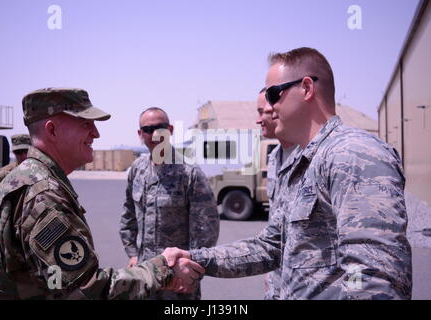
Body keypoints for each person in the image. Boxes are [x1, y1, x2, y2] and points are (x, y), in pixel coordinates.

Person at [165, 47, 412, 300]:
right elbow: (272, 247)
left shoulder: (353, 154)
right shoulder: (301, 162)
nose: (269, 108)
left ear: (306, 88)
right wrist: (194, 258)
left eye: (273, 94)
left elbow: (373, 276)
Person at [0, 88, 203, 300]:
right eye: (85, 124)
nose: (96, 133)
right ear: (52, 130)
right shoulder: (43, 194)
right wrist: (162, 268)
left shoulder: (26, 177)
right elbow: (85, 290)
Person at [119, 107, 220, 300]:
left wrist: (192, 270)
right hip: (143, 275)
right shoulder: (137, 171)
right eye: (148, 129)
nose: (155, 134)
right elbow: (128, 215)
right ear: (140, 134)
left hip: (177, 279)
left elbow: (207, 230)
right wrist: (132, 254)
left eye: (160, 127)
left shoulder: (189, 173)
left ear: (171, 130)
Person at [256, 88, 299, 300]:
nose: (258, 120)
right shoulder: (275, 158)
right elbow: (275, 233)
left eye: (261, 111)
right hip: (278, 283)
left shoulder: (314, 156)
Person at [0, 134, 31, 231]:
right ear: (14, 153)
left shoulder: (42, 172)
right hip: (9, 230)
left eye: (26, 151)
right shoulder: (3, 176)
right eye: (19, 152)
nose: (23, 156)